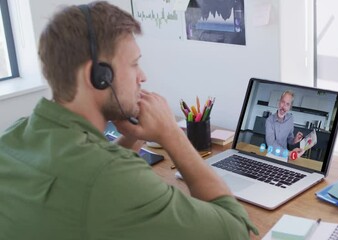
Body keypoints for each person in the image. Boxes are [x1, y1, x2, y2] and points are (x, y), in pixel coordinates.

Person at [0, 2, 257, 239]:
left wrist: (134, 135)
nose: (142, 76)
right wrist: (171, 134)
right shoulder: (111, 179)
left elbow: (86, 173)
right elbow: (235, 229)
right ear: (99, 76)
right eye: (134, 64)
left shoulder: (12, 138)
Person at [265, 90, 304, 158]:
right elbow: (271, 144)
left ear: (290, 107)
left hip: (284, 156)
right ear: (279, 102)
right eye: (283, 102)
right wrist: (290, 153)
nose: (284, 106)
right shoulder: (269, 121)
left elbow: (289, 139)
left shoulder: (290, 119)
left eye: (287, 104)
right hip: (272, 155)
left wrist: (294, 139)